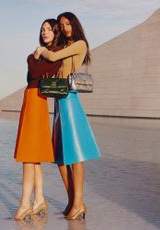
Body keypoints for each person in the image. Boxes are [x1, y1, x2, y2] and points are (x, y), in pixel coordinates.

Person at [36, 12, 101, 220]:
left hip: (70, 100)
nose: (64, 28)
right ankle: (73, 200)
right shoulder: (65, 46)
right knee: (60, 157)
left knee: (75, 155)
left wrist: (41, 51)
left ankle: (78, 202)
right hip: (58, 101)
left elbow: (53, 57)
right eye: (62, 25)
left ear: (74, 25)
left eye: (67, 24)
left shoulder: (80, 44)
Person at [13, 18, 64, 221]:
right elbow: (32, 75)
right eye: (42, 29)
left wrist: (36, 55)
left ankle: (25, 203)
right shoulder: (39, 55)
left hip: (37, 100)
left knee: (28, 153)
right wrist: (34, 57)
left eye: (49, 29)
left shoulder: (55, 55)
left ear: (56, 32)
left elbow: (34, 72)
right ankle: (39, 199)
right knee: (32, 155)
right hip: (31, 99)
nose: (44, 32)